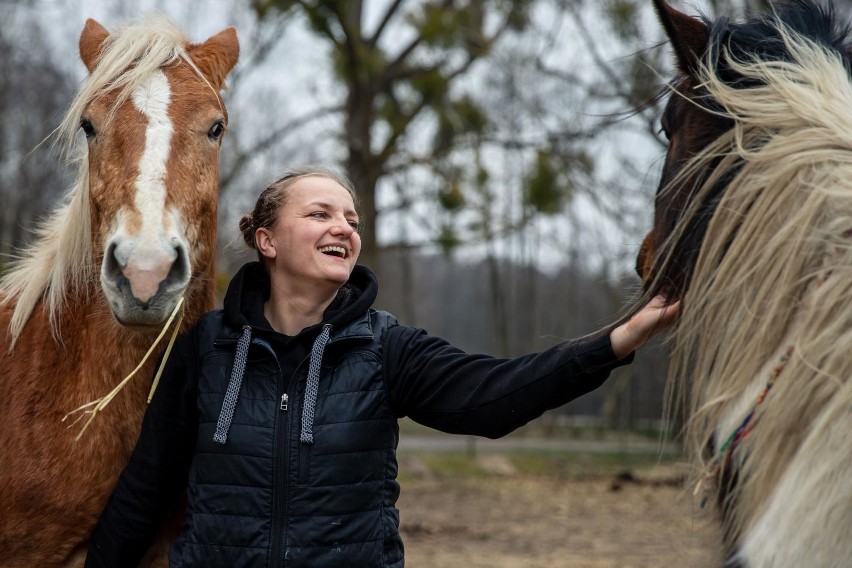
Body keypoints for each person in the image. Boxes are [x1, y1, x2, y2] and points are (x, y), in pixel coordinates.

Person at [85, 165, 678, 568]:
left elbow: (494, 396)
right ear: (266, 240)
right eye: (320, 214)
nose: (344, 227)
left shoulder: (385, 347)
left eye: (352, 220)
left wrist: (618, 340)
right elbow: (145, 487)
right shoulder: (205, 348)